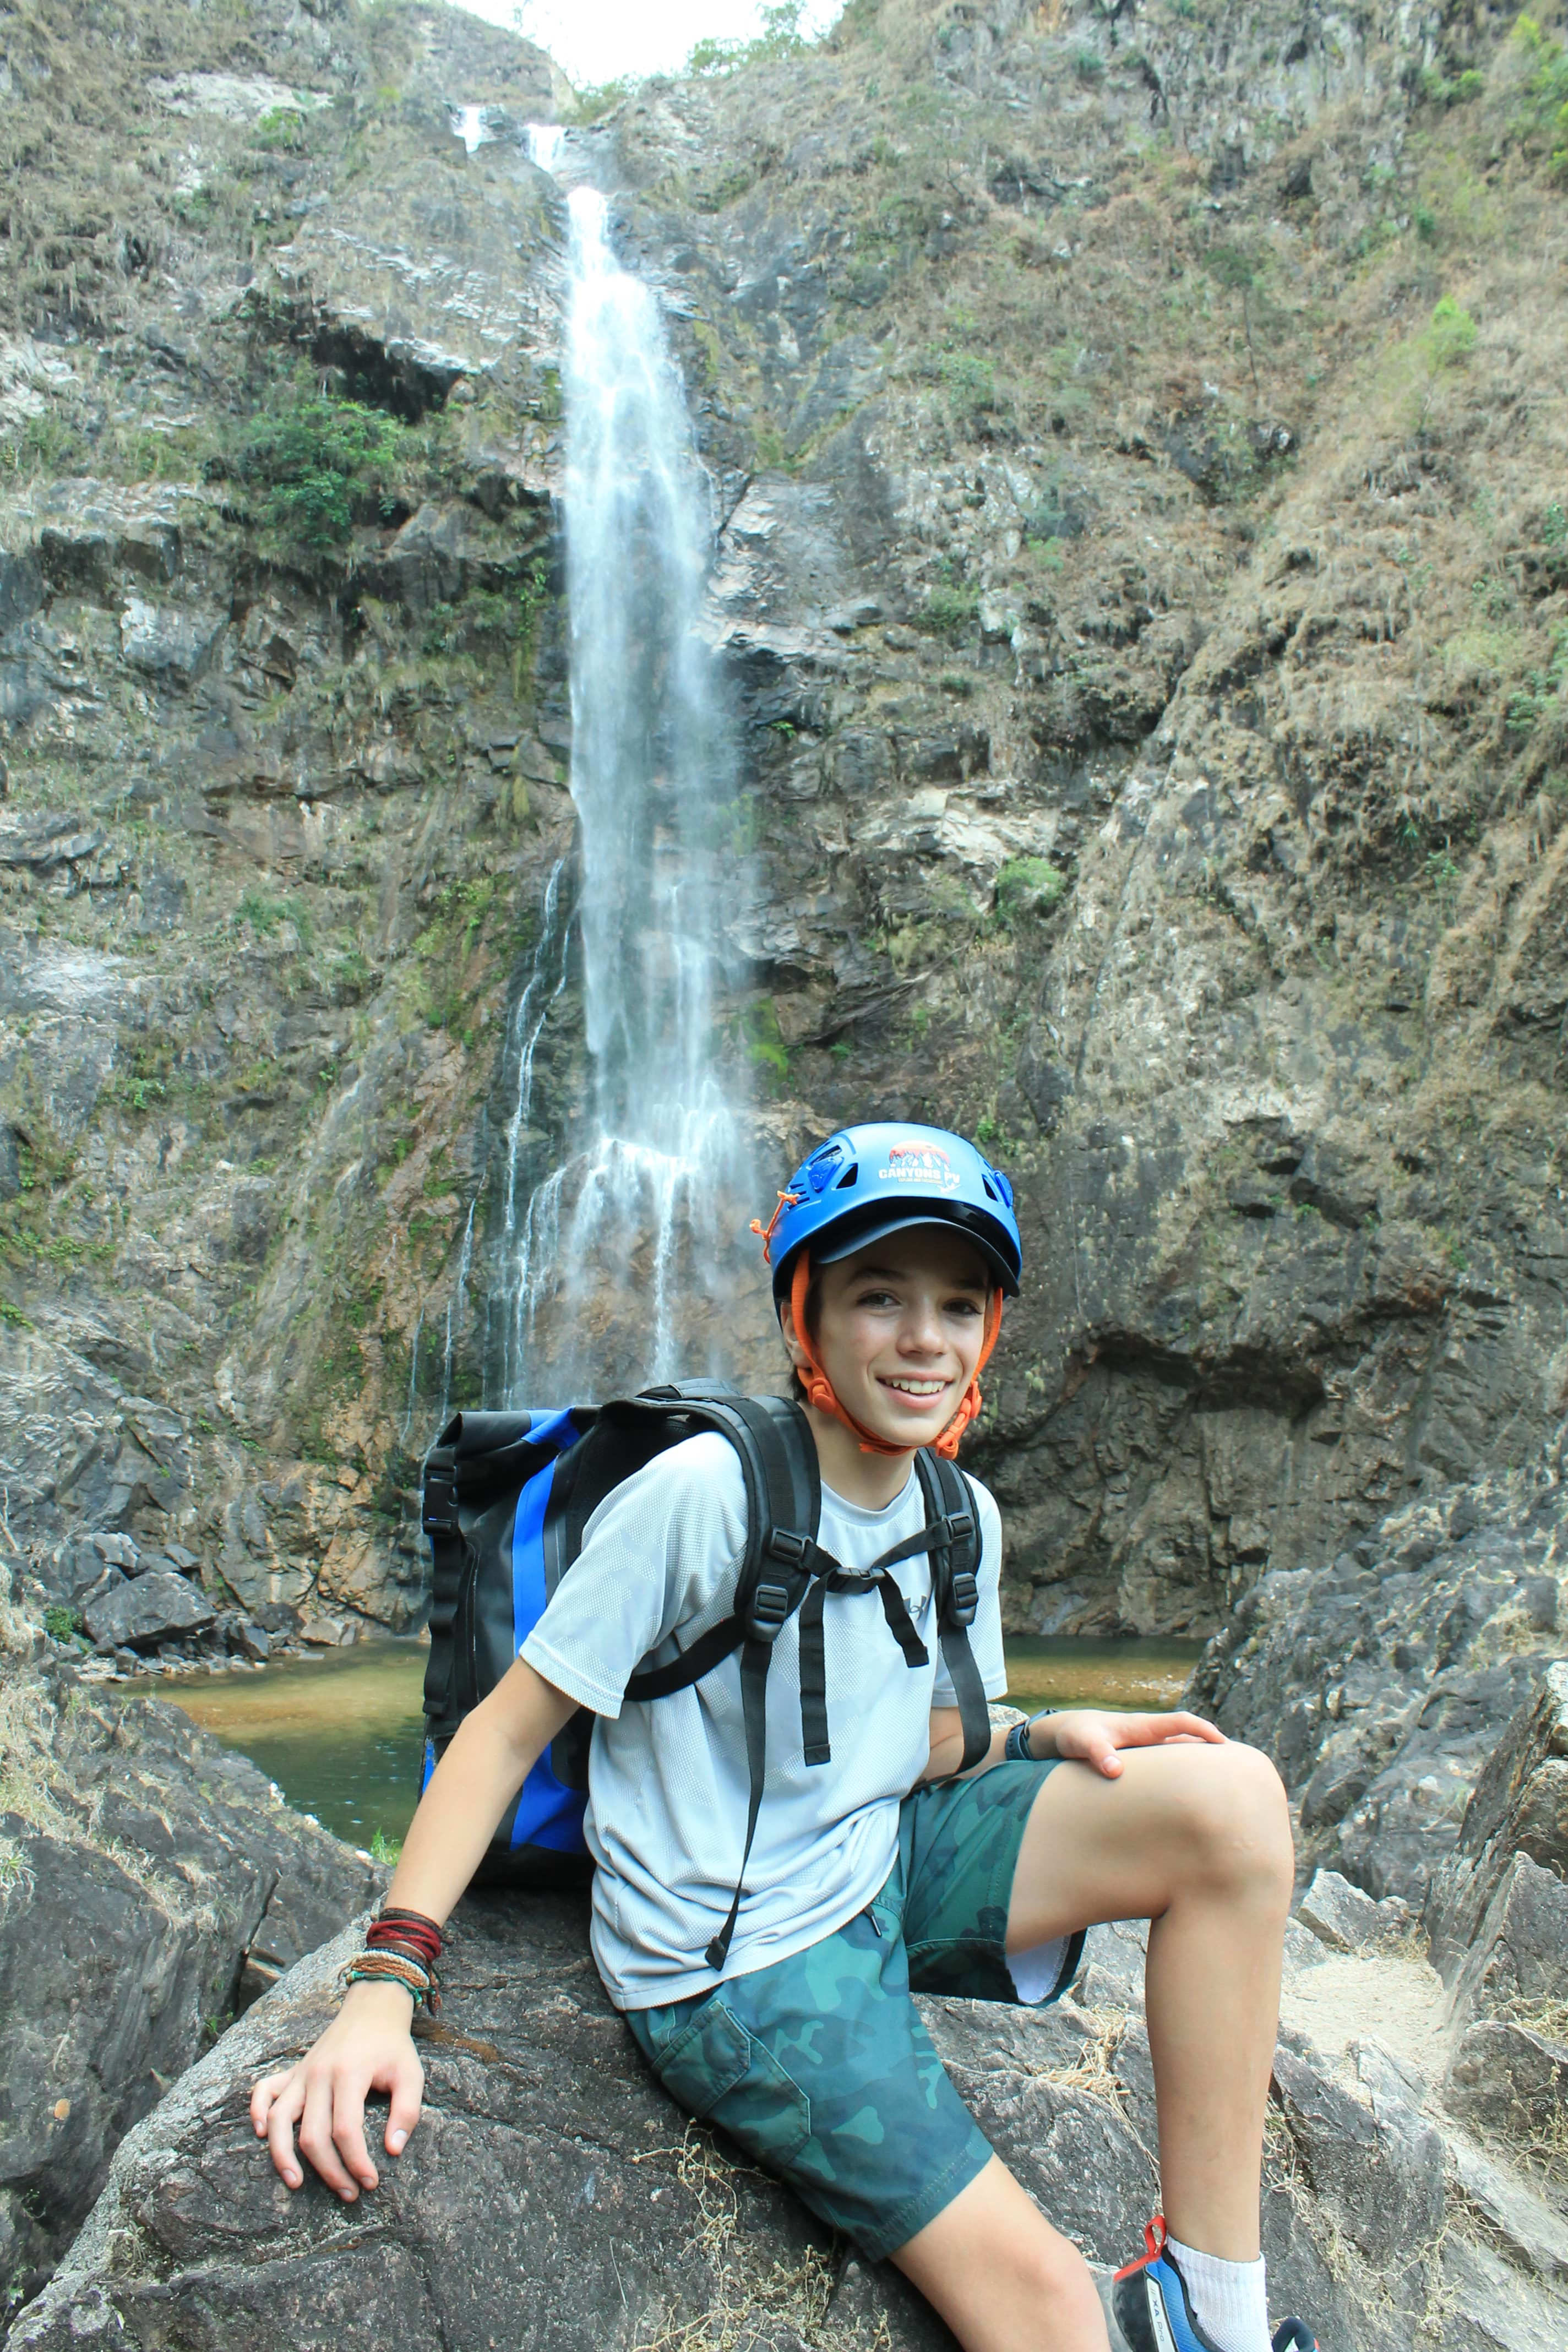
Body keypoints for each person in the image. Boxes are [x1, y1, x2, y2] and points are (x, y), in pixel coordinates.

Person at [252, 1123, 1314, 2352]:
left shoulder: (958, 1512)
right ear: (803, 1312)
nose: (924, 1341)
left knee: (1232, 1801)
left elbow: (900, 1743)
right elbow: (498, 1738)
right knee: (1048, 2317)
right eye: (878, 1297)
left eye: (958, 1304)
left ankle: (1208, 2306)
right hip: (740, 1959)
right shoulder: (701, 1496)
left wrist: (1031, 1735)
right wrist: (383, 1991)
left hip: (875, 1860)